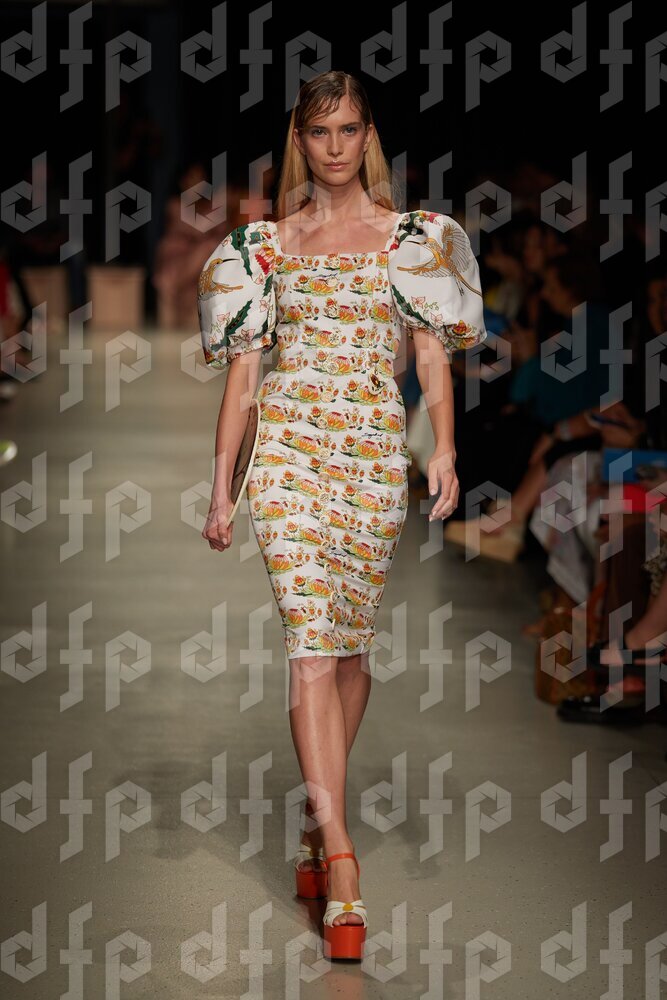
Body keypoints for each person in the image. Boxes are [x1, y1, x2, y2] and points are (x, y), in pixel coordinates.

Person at [197, 70, 487, 959]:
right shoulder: (261, 247)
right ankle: (342, 854)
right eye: (319, 131)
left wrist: (443, 448)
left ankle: (316, 815)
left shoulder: (413, 239)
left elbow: (430, 354)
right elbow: (243, 377)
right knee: (311, 648)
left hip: (369, 456)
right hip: (287, 458)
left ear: (368, 136)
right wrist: (222, 484)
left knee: (351, 649)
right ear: (299, 138)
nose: (333, 147)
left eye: (348, 130)